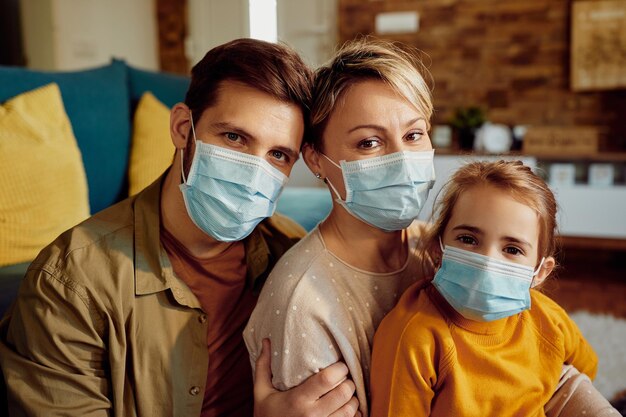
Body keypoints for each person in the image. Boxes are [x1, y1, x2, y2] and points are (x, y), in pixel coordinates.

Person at [0, 38, 359, 417]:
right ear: (183, 128)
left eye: (278, 155)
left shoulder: (291, 255)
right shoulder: (69, 284)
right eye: (234, 137)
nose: (256, 171)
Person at [244, 38, 436, 417]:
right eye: (369, 142)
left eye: (414, 135)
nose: (402, 159)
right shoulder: (303, 302)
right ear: (315, 159)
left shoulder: (440, 251)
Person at [369, 160, 619, 417]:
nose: (488, 261)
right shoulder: (414, 337)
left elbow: (584, 372)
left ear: (539, 272)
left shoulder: (549, 321)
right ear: (437, 248)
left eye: (512, 249)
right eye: (468, 239)